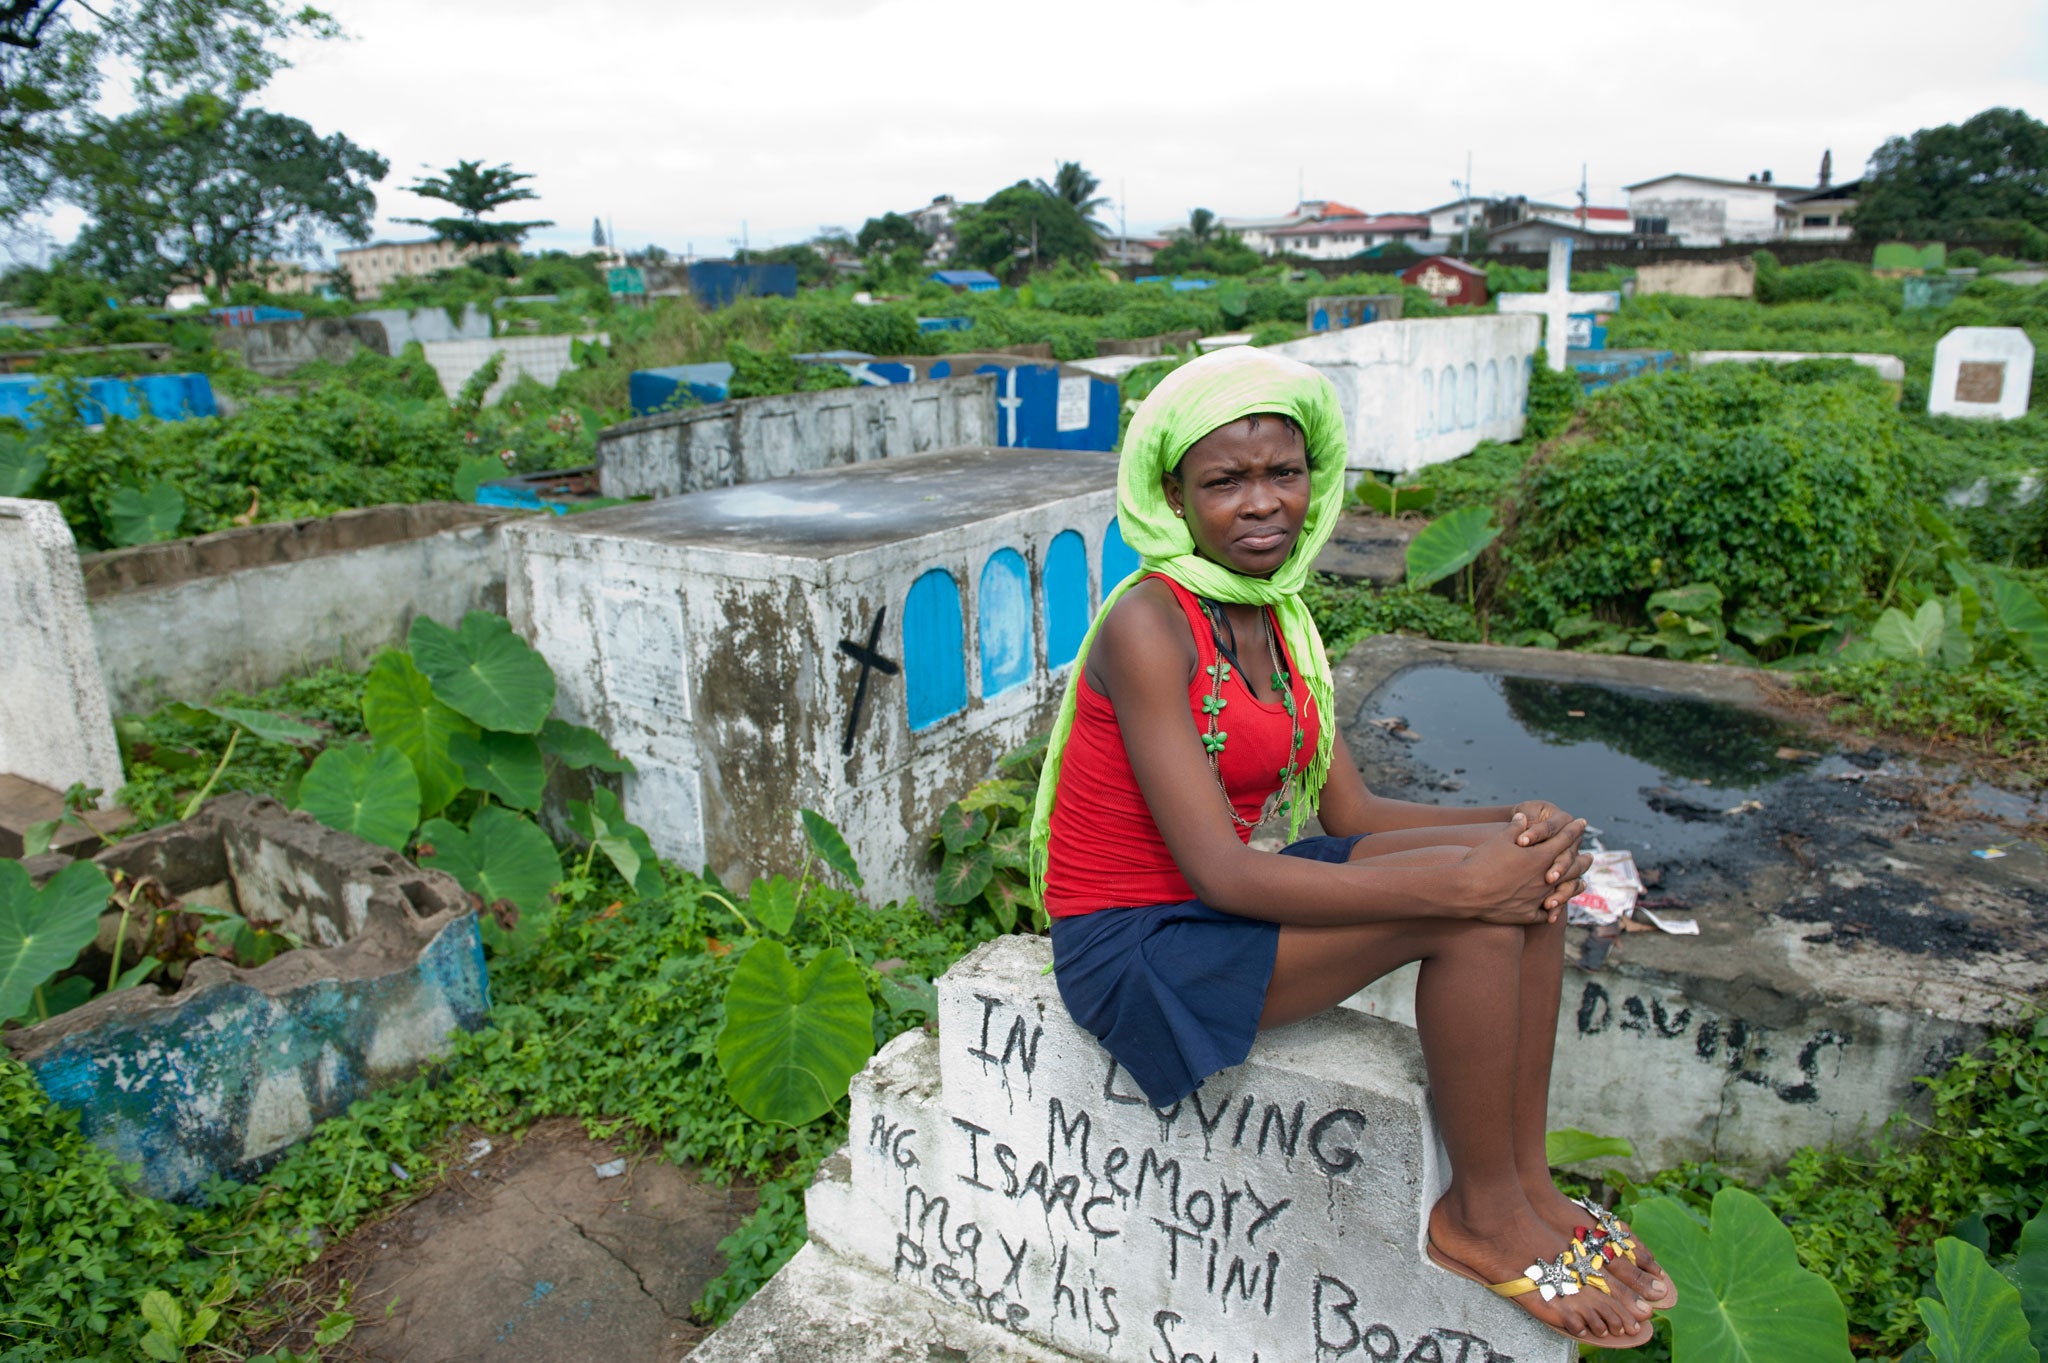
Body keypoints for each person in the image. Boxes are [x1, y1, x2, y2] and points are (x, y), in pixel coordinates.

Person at [1028, 346, 1673, 1348]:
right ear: (1171, 495)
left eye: (1280, 474)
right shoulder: (1148, 624)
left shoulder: (1275, 619)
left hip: (1213, 908)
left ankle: (1529, 1188)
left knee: (1523, 880)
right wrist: (1460, 880)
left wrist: (1513, 825)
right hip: (1138, 947)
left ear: (1313, 479)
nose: (1259, 504)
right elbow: (1224, 870)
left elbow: (1352, 818)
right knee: (1464, 914)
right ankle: (1478, 1217)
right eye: (1224, 481)